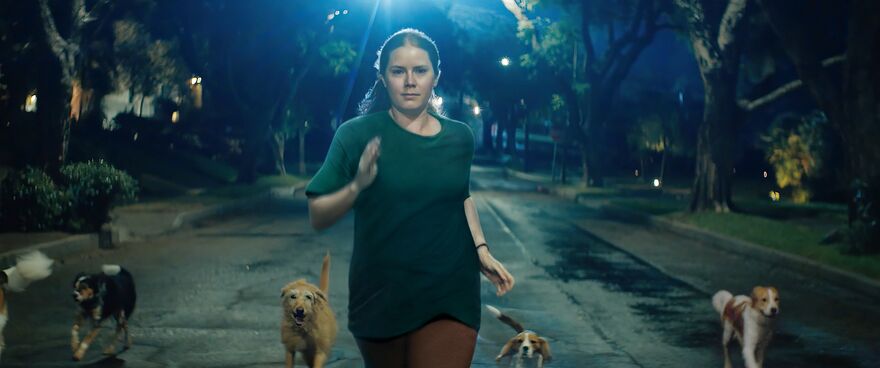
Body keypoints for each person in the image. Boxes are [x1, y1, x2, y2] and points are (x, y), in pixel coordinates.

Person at [305, 28, 515, 367]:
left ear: (436, 76)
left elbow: (461, 197)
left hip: (450, 292)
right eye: (398, 71)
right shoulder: (355, 134)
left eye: (420, 70)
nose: (409, 81)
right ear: (383, 78)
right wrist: (356, 186)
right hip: (380, 296)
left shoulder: (459, 138)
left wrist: (482, 250)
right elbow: (318, 214)